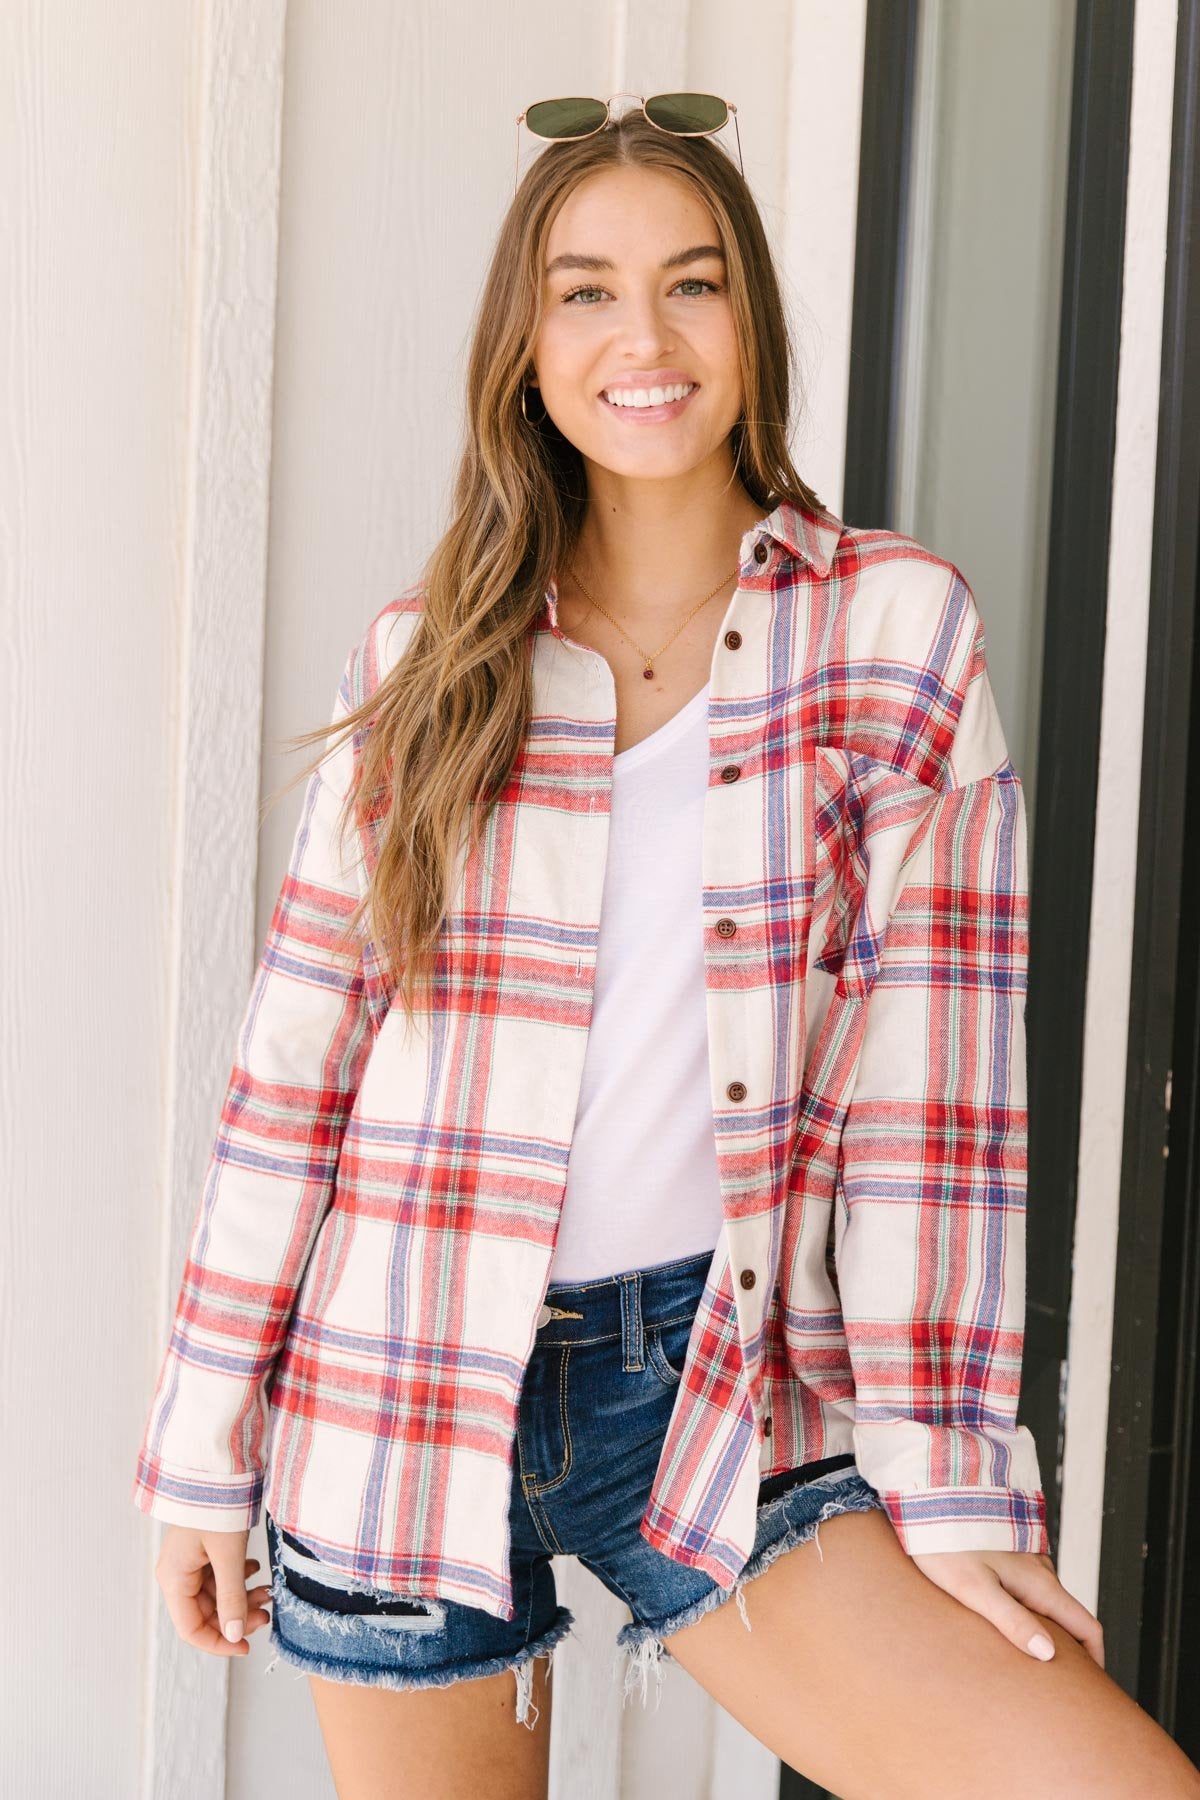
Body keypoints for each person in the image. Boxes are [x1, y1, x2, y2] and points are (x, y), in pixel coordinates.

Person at [131, 97, 1200, 1800]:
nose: (644, 336)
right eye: (586, 291)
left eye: (693, 284)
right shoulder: (428, 660)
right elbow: (292, 1084)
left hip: (716, 1377)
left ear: (752, 326)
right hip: (397, 1382)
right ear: (526, 349)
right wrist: (200, 1454)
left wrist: (953, 1474)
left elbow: (936, 1104)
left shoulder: (891, 629)